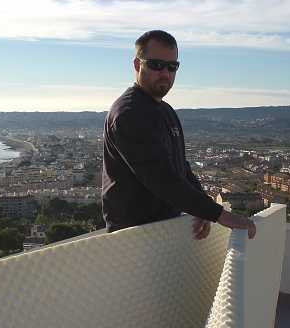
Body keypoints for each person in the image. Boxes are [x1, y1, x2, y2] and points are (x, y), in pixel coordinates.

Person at [102, 30, 256, 240]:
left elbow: (180, 169)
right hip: (133, 238)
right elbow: (160, 176)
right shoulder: (130, 112)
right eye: (156, 64)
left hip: (163, 232)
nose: (165, 72)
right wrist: (217, 213)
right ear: (138, 65)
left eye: (172, 66)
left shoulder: (165, 111)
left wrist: (202, 207)